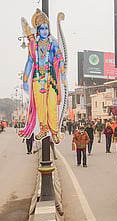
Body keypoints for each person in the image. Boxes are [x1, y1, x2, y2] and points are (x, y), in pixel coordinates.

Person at [18, 9, 66, 144]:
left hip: (51, 77)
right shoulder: (33, 45)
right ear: (38, 30)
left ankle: (54, 132)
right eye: (42, 28)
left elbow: (59, 56)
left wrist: (61, 65)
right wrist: (25, 78)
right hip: (37, 78)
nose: (44, 30)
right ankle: (44, 128)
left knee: (51, 105)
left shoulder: (53, 43)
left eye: (46, 28)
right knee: (41, 106)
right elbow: (30, 61)